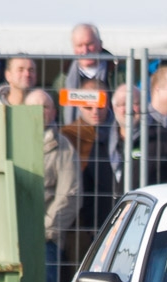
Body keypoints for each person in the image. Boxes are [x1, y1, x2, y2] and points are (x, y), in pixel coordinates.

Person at [24, 89, 80, 282]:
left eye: (45, 106)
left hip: (46, 239)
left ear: (54, 112)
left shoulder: (63, 146)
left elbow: (70, 194)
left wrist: (45, 230)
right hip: (13, 237)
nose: (39, 111)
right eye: (33, 107)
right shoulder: (9, 139)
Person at [61, 80, 116, 265]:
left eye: (100, 106)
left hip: (115, 213)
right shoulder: (69, 135)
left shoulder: (121, 131)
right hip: (79, 222)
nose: (95, 112)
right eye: (88, 107)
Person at [53, 24, 122, 125]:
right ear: (73, 48)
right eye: (79, 45)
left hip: (111, 136)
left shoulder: (119, 75)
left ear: (100, 44)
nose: (85, 51)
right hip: (71, 137)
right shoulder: (62, 80)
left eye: (89, 44)